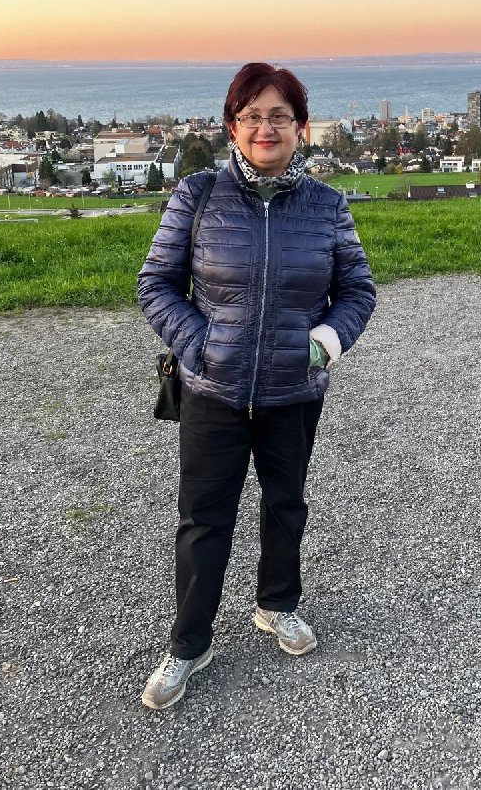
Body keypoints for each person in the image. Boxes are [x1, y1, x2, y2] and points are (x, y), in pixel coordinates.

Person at [137, 62, 376, 710]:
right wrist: (202, 345)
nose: (265, 128)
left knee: (286, 503)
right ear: (232, 127)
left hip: (292, 391)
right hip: (212, 391)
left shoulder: (327, 206)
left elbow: (357, 291)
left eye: (279, 116)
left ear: (301, 128)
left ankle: (278, 604)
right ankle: (190, 643)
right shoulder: (198, 195)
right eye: (252, 116)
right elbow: (155, 284)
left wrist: (321, 347)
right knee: (203, 517)